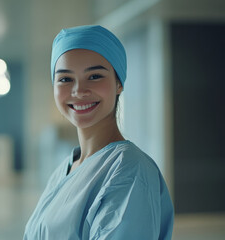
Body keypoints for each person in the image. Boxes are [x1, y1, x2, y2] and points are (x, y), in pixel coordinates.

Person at [23, 25, 174, 239]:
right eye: (65, 79)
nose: (78, 91)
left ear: (118, 83)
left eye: (94, 76)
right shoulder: (66, 169)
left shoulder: (128, 170)